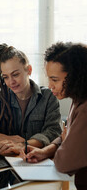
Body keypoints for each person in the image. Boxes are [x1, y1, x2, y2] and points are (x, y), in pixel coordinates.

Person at [0, 43, 62, 155]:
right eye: (6, 77)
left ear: (29, 70)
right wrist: (2, 137)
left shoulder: (48, 97)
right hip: (4, 159)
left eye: (15, 74)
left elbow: (53, 132)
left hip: (34, 159)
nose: (11, 82)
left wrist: (24, 144)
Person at [20, 42, 87, 190]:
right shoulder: (78, 98)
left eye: (55, 80)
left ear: (75, 76)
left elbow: (65, 162)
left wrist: (66, 140)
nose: (50, 85)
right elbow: (67, 134)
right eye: (49, 78)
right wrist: (46, 151)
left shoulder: (85, 109)